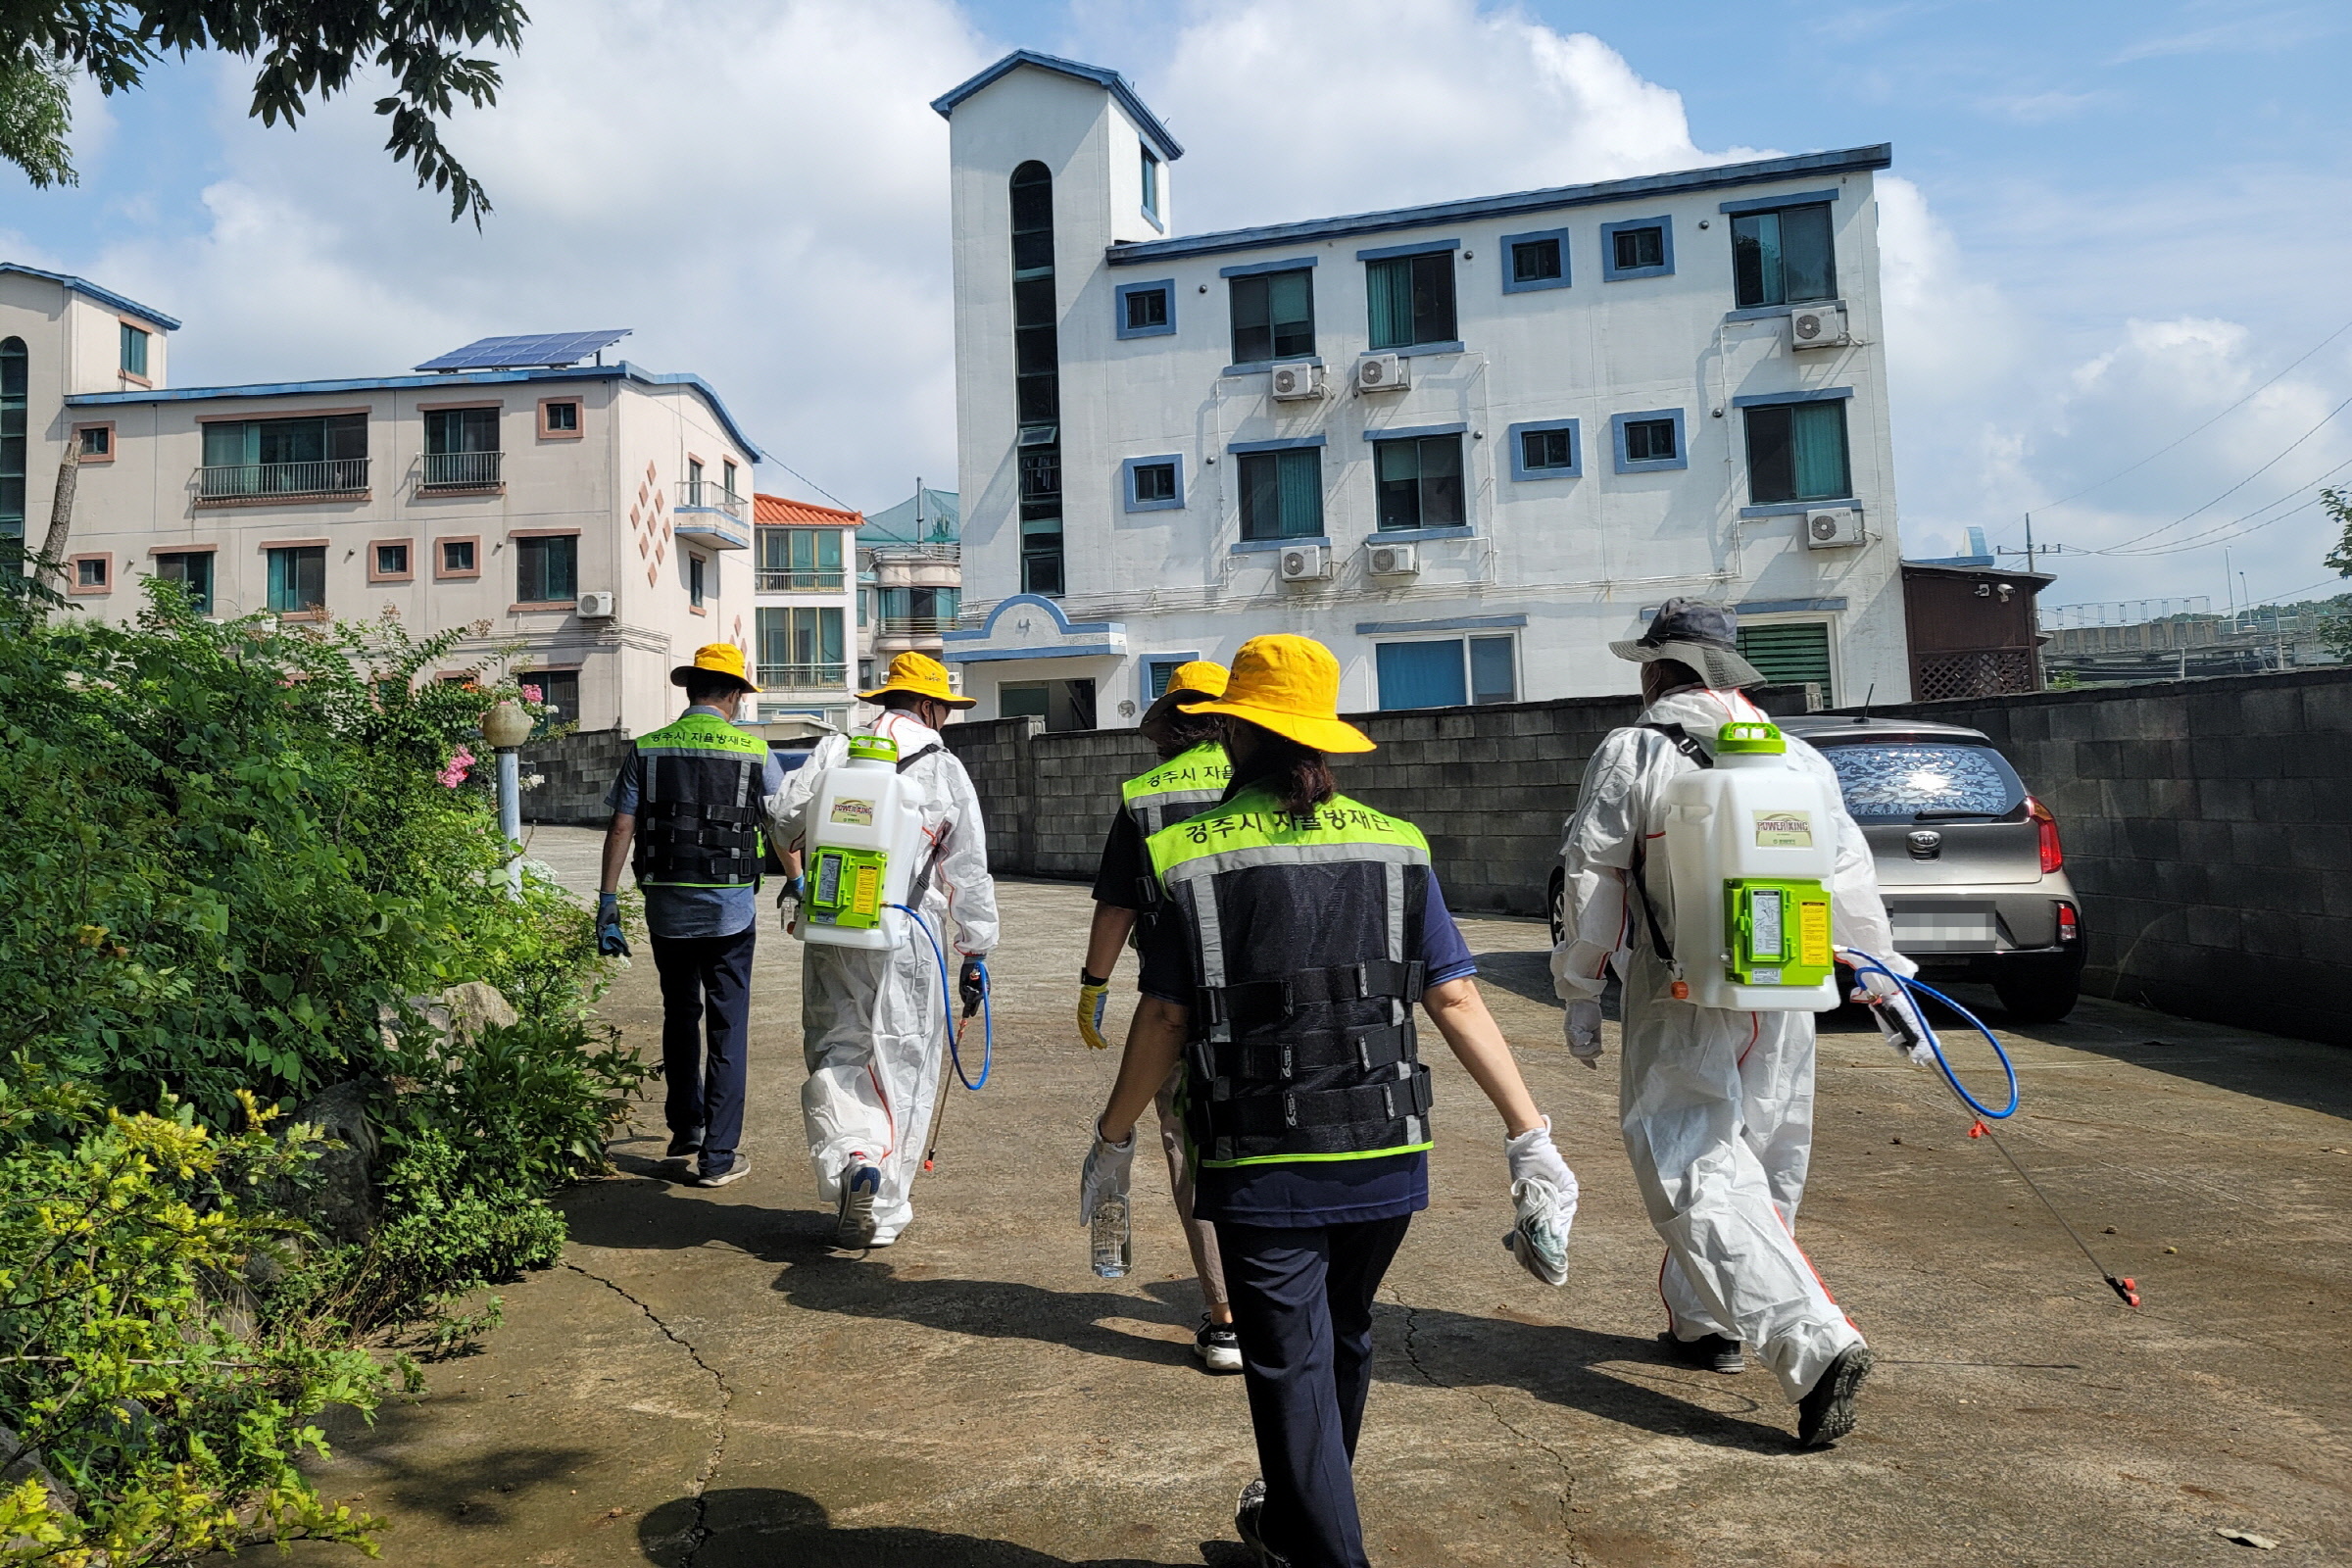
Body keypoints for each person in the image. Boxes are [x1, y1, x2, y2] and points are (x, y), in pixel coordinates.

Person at [1081, 634, 1574, 1568]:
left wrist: (1113, 1140)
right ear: (1319, 738)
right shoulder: (1399, 844)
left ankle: (1328, 1552)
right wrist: (1529, 1133)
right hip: (1386, 1151)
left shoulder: (1189, 856)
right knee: (1341, 1335)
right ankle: (1296, 1522)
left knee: (1288, 1368)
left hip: (1262, 1158)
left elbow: (1163, 1018)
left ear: (1235, 731)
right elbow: (1456, 994)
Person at [1550, 598, 1919, 1447]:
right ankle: (1705, 1324)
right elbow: (1847, 879)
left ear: (1655, 671)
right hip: (1786, 985)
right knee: (1762, 1157)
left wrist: (1580, 988)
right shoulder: (1797, 758)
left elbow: (1593, 874)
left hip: (1681, 984)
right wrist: (1884, 980)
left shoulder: (1634, 748)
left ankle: (1812, 1343)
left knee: (1688, 1163)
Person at [768, 651, 1000, 1249]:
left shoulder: (835, 750)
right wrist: (976, 949)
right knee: (904, 1062)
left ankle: (854, 1158)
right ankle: (886, 1208)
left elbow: (783, 816)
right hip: (909, 932)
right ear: (928, 706)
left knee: (836, 1048)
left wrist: (802, 872)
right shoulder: (942, 766)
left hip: (834, 925)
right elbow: (966, 867)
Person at [1079, 660, 1242, 1375]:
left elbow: (1117, 905)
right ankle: (1288, 1299)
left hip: (1175, 996)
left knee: (1189, 1147)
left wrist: (1093, 985)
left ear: (1171, 724)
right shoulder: (1268, 781)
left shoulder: (1144, 797)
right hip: (1267, 993)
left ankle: (1226, 1318)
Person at [598, 643, 786, 1190]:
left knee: (679, 1013)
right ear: (732, 694)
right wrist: (796, 882)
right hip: (730, 909)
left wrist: (607, 902)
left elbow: (621, 828)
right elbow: (780, 823)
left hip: (666, 908)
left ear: (689, 689)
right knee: (728, 1025)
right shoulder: (754, 750)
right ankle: (719, 1158)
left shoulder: (648, 748)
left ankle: (686, 1131)